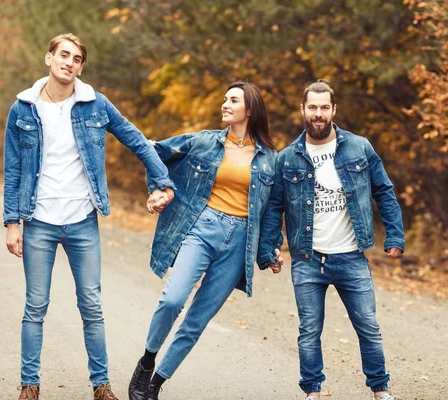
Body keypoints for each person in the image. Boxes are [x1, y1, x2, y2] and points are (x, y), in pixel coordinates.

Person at [3, 33, 175, 400]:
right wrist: (12, 222)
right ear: (48, 58)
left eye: (77, 58)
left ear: (81, 66)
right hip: (38, 221)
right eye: (63, 55)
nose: (69, 62)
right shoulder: (23, 108)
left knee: (92, 305)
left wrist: (161, 181)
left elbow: (136, 139)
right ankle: (29, 385)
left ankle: (102, 385)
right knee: (36, 305)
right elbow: (13, 169)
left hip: (82, 219)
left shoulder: (95, 104)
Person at [127, 81, 281, 400]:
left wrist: (269, 252)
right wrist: (159, 189)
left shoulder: (270, 160)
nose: (225, 104)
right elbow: (154, 152)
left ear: (249, 110)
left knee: (197, 320)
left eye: (233, 100)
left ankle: (155, 384)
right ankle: (147, 360)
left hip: (240, 242)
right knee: (172, 299)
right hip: (202, 227)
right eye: (224, 99)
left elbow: (271, 211)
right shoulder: (204, 141)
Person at [258, 80, 404, 400]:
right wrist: (268, 249)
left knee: (368, 326)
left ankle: (380, 389)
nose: (318, 114)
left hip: (351, 256)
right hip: (308, 259)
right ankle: (313, 391)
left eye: (325, 108)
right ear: (303, 110)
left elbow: (384, 191)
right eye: (313, 108)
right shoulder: (288, 158)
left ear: (334, 110)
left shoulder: (359, 147)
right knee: (309, 331)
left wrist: (394, 234)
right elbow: (274, 209)